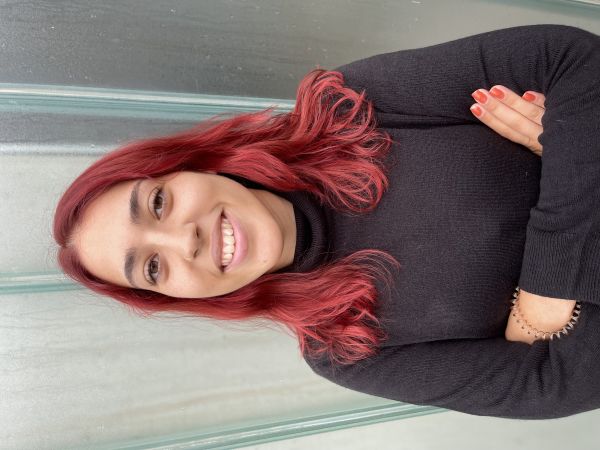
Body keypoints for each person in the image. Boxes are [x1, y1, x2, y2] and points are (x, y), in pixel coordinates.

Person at [53, 24, 600, 419]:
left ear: (187, 165)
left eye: (157, 204)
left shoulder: (347, 107)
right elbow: (565, 385)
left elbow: (572, 63)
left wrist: (544, 302)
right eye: (152, 267)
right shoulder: (344, 351)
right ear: (177, 298)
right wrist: (565, 151)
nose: (184, 239)